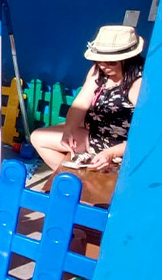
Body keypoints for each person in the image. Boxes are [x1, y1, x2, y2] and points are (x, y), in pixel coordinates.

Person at [30, 25, 144, 172]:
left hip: (118, 145)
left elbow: (144, 135)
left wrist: (111, 153)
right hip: (93, 131)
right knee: (38, 137)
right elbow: (81, 103)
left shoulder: (138, 83)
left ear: (128, 59)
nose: (104, 66)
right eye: (99, 60)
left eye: (111, 62)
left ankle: (78, 180)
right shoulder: (99, 71)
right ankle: (73, 179)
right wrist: (69, 130)